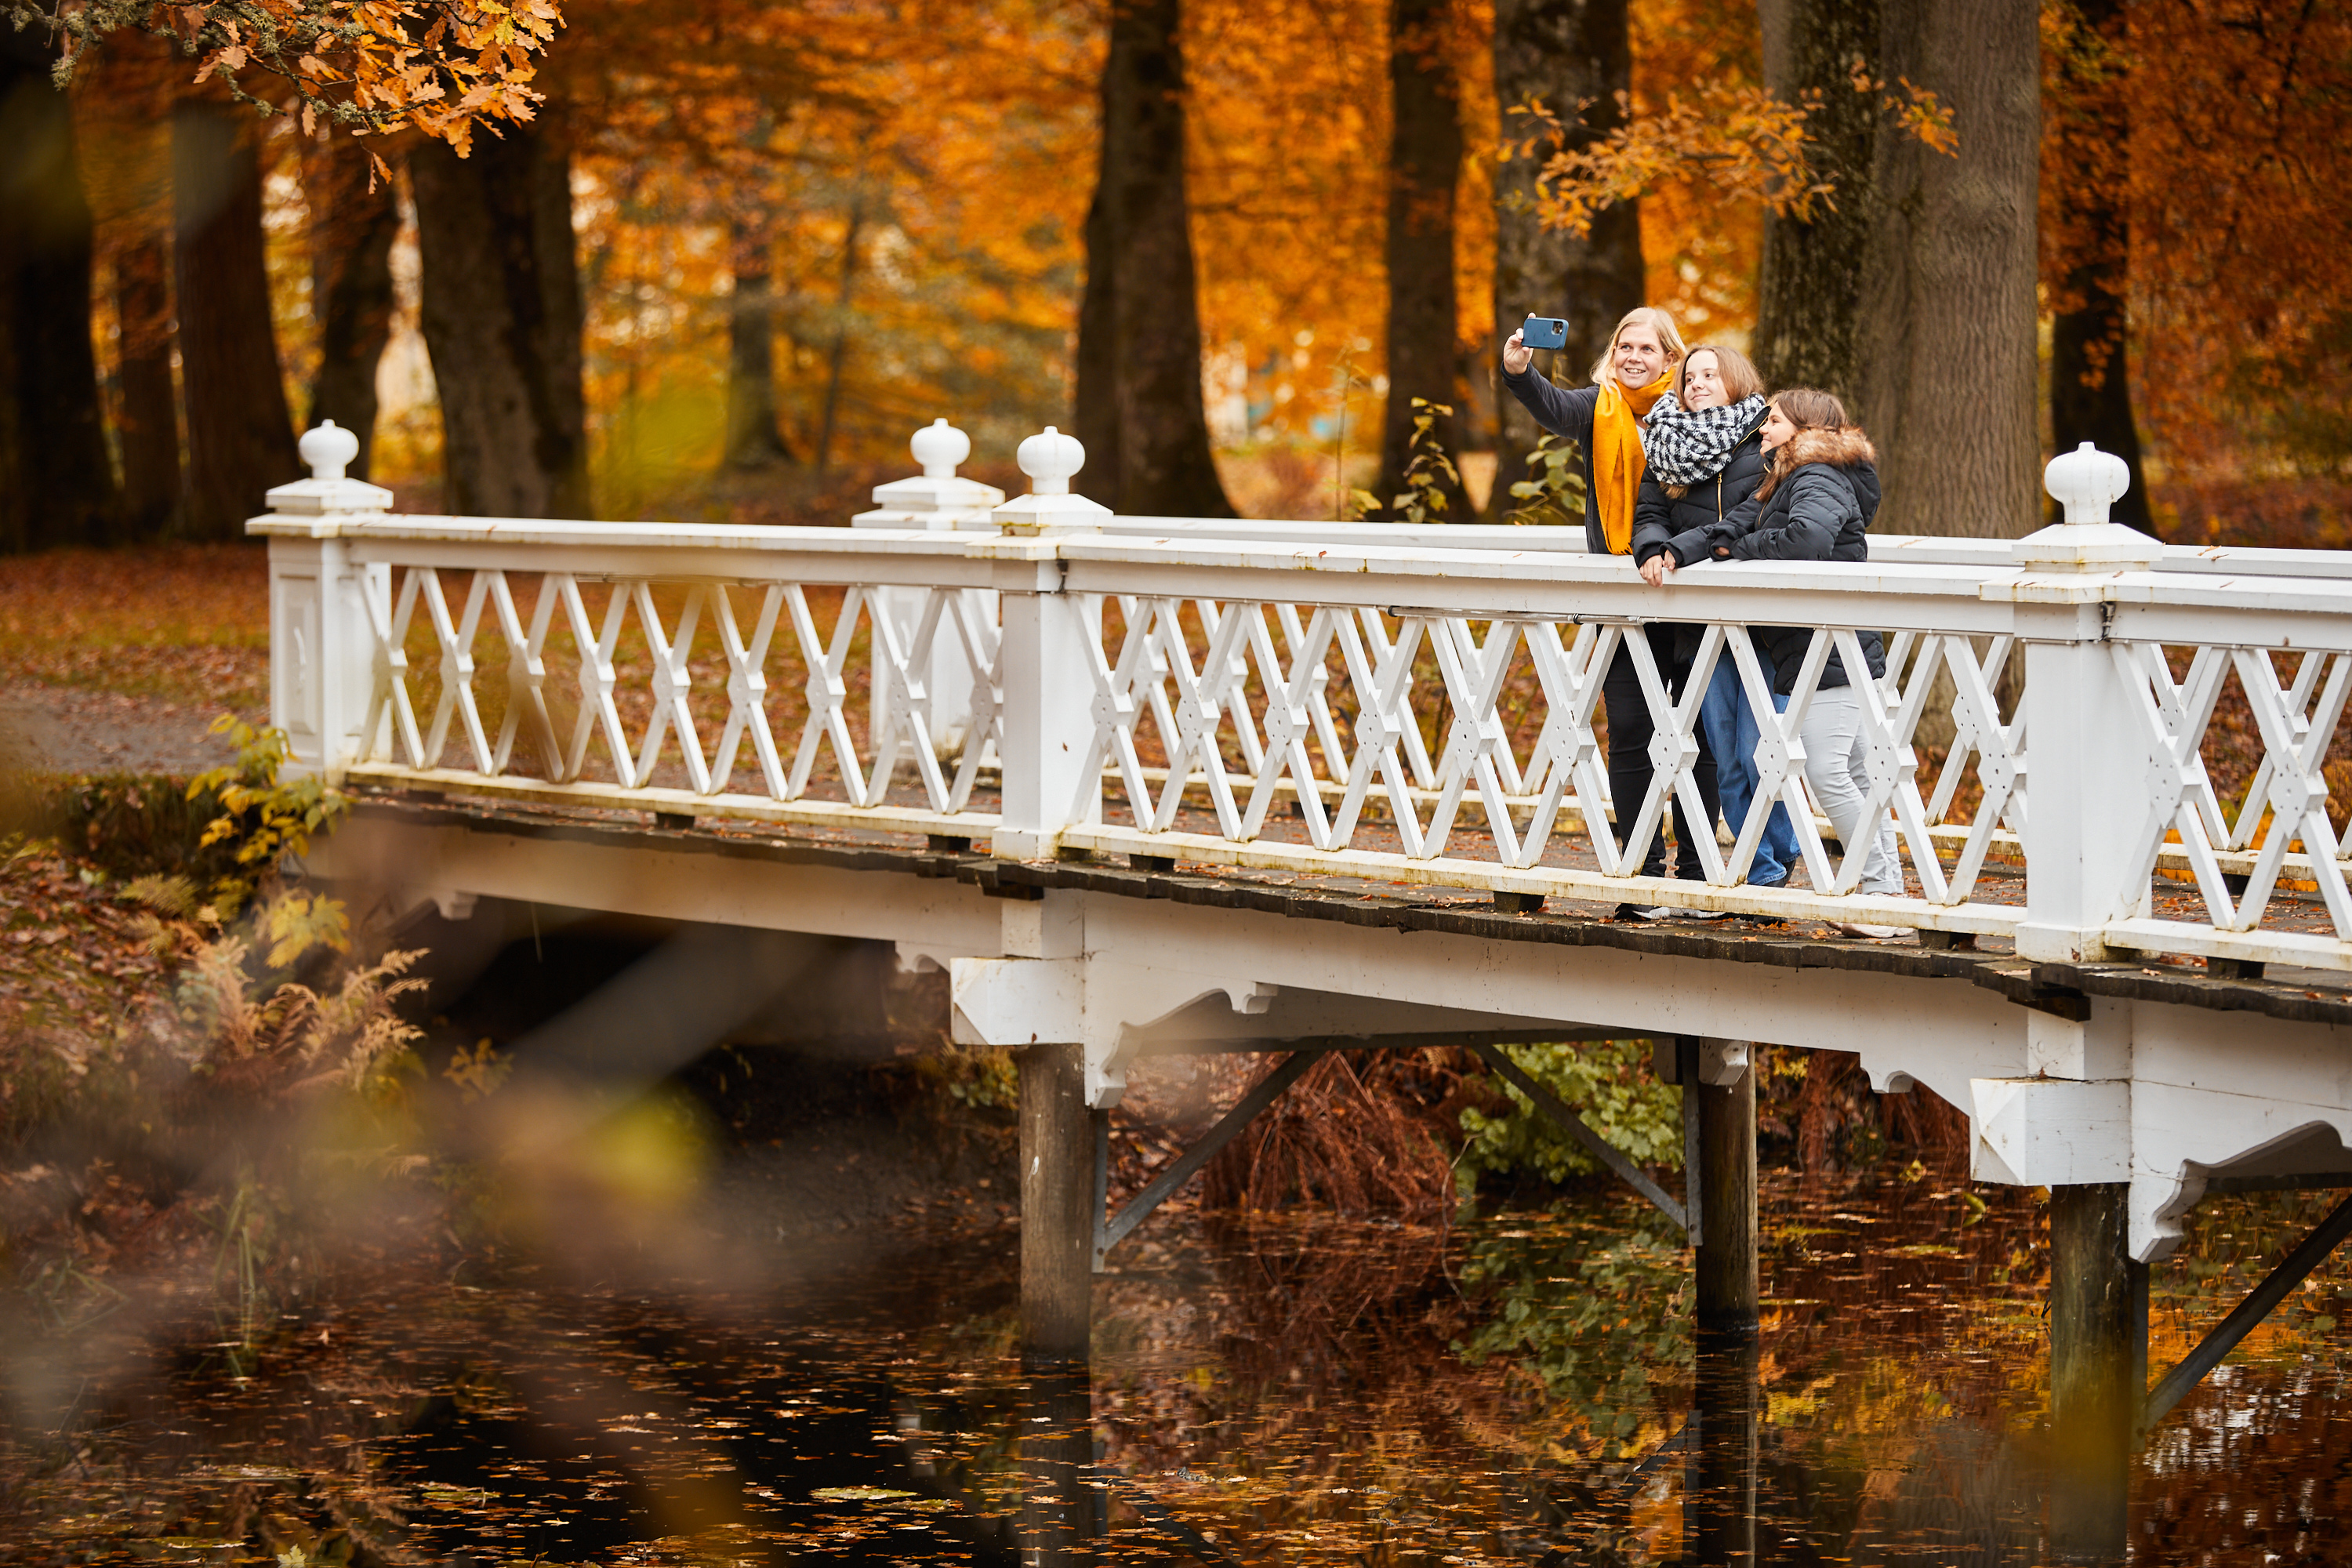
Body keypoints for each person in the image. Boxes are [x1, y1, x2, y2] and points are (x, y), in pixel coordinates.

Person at [1500, 307, 1722, 919]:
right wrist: (1520, 371)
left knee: (1699, 734)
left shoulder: (1700, 413)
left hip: (1692, 595)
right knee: (1629, 732)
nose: (1632, 357)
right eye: (1624, 345)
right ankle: (1642, 870)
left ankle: (1701, 874)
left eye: (1646, 348)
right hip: (1624, 599)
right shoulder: (1599, 409)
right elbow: (1553, 406)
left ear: (1670, 358)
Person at [1715, 388, 1904, 938]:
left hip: (1828, 649)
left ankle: (1878, 892)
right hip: (1831, 646)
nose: (1764, 426)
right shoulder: (1804, 474)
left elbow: (1810, 539)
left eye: (1773, 419)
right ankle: (1885, 895)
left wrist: (1743, 552)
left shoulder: (1815, 475)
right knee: (1859, 774)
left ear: (1802, 428)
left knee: (1828, 769)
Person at [1630, 343, 1799, 890]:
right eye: (1688, 377)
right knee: (1725, 755)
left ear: (1736, 380)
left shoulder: (1767, 439)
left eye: (1709, 374)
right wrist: (1652, 548)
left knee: (1760, 751)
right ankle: (1757, 870)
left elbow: (1760, 516)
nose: (1696, 384)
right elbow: (1649, 513)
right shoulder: (1666, 445)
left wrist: (1684, 548)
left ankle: (1779, 858)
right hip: (1702, 627)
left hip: (1764, 625)